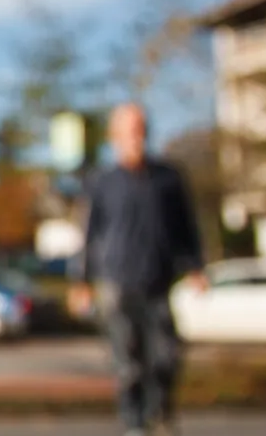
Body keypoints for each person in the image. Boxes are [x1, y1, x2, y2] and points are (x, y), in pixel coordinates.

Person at [70, 103, 207, 436]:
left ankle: (160, 413)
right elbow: (88, 234)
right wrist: (81, 281)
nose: (136, 136)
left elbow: (185, 227)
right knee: (127, 362)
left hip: (158, 281)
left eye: (141, 128)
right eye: (129, 130)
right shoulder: (102, 181)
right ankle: (134, 423)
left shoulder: (168, 178)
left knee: (166, 356)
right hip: (116, 283)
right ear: (114, 136)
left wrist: (195, 267)